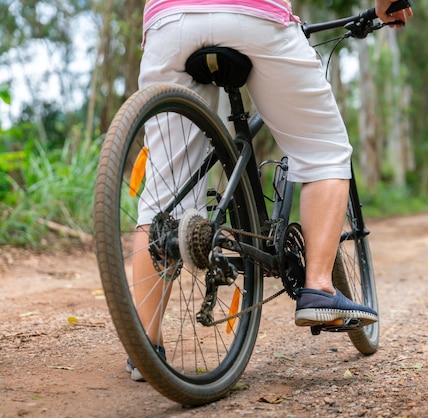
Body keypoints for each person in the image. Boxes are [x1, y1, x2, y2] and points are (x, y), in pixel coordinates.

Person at [126, 0, 413, 381]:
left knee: (165, 193)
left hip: (169, 23)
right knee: (324, 153)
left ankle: (144, 350)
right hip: (254, 18)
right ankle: (319, 289)